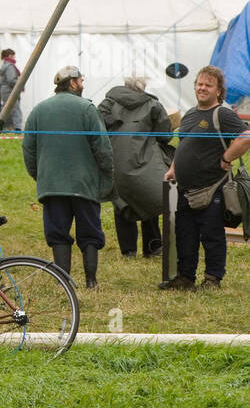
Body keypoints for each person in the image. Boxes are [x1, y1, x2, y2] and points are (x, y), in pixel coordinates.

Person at [22, 65, 114, 289]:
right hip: (84, 184)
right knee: (90, 233)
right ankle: (91, 281)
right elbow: (102, 147)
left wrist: (41, 175)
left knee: (58, 234)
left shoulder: (38, 110)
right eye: (81, 80)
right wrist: (107, 173)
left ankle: (64, 282)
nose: (83, 85)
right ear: (72, 83)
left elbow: (28, 149)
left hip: (52, 185)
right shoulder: (87, 108)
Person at [163, 65, 250, 290]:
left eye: (208, 85)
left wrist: (227, 157)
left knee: (212, 236)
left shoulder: (221, 114)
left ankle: (213, 279)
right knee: (185, 235)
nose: (202, 88)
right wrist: (174, 167)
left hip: (212, 189)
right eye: (199, 84)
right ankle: (185, 278)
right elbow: (183, 144)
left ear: (219, 91)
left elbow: (247, 135)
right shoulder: (191, 113)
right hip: (184, 188)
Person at [97, 76, 173, 257]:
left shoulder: (107, 104)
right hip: (144, 158)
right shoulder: (152, 104)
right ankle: (153, 246)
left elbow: (98, 129)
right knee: (148, 198)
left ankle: (128, 249)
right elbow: (164, 134)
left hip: (115, 159)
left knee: (121, 202)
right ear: (143, 86)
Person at [0, 48, 23, 131]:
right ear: (10, 56)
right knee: (16, 110)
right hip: (9, 91)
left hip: (5, 91)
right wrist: (20, 82)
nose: (15, 58)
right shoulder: (10, 66)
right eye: (14, 56)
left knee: (5, 110)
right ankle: (18, 128)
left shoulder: (5, 65)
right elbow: (11, 80)